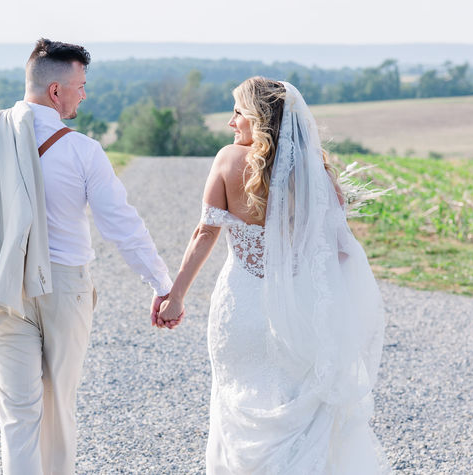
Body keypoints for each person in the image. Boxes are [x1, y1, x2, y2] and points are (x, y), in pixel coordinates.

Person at [0, 39, 174, 474]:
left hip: (0, 284)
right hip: (65, 287)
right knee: (59, 408)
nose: (85, 94)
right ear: (56, 91)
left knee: (18, 415)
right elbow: (122, 225)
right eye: (81, 85)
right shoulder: (82, 151)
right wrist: (162, 284)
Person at [155, 77, 387, 473]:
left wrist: (175, 296)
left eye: (238, 113)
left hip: (240, 307)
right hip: (299, 310)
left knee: (236, 400)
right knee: (297, 402)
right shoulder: (315, 173)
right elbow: (340, 250)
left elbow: (205, 233)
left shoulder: (227, 160)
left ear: (259, 118)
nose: (231, 123)